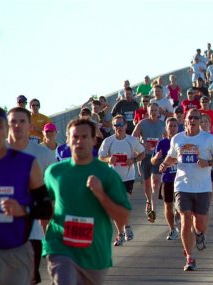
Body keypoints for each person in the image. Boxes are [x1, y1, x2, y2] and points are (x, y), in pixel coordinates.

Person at [42, 119, 131, 284]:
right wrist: (44, 238)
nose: (79, 141)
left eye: (84, 137)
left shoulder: (107, 174)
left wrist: (100, 194)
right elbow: (42, 208)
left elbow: (123, 217)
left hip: (94, 253)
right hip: (60, 247)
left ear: (94, 140)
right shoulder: (54, 173)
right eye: (75, 137)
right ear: (67, 140)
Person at [159, 109, 213, 271]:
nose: (194, 120)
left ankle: (200, 234)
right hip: (182, 185)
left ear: (200, 121)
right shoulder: (177, 139)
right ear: (185, 121)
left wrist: (208, 163)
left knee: (200, 223)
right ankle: (189, 257)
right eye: (191, 117)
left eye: (197, 118)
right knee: (185, 219)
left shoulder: (208, 138)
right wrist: (165, 164)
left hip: (202, 187)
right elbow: (172, 156)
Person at [0, 107, 53, 285]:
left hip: (29, 236)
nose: (17, 126)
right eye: (13, 122)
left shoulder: (37, 158)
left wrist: (23, 209)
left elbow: (48, 202)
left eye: (22, 121)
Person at [98, 115, 145, 246]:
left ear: (125, 126)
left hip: (128, 177)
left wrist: (134, 160)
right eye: (115, 125)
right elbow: (100, 157)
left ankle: (127, 226)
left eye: (120, 125)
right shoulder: (108, 141)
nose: (118, 127)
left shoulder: (132, 140)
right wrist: (108, 159)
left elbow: (143, 153)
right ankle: (120, 233)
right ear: (113, 127)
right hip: (112, 177)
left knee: (123, 204)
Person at [132, 103, 166, 223]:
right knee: (146, 184)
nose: (154, 112)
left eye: (156, 110)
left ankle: (153, 208)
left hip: (157, 157)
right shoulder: (142, 123)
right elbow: (133, 138)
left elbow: (167, 139)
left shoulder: (163, 124)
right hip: (145, 157)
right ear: (147, 111)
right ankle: (148, 201)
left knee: (156, 181)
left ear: (159, 112)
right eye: (151, 110)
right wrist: (141, 145)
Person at [151, 117, 180, 240]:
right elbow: (153, 162)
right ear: (166, 129)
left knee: (180, 207)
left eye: (174, 126)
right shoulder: (162, 143)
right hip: (167, 179)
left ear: (177, 128)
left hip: (181, 180)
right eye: (170, 126)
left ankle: (180, 222)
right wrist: (156, 157)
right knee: (168, 206)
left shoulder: (182, 141)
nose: (172, 128)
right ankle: (172, 229)